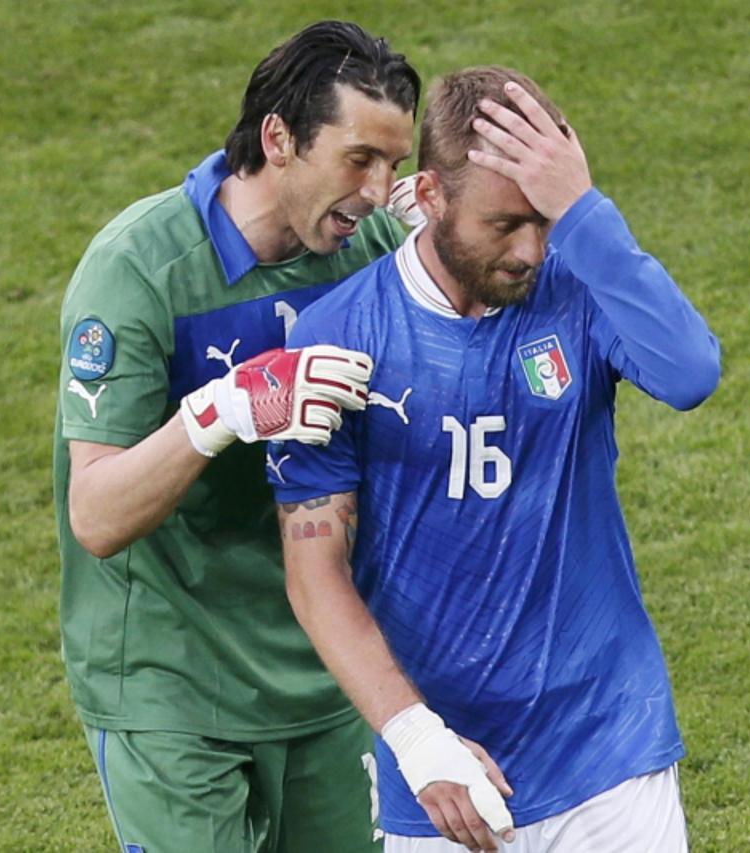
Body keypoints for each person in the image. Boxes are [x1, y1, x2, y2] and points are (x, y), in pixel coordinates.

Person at [56, 21, 507, 852]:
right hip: (170, 685)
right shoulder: (136, 270)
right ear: (279, 139)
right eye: (359, 159)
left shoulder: (369, 251)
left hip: (320, 672)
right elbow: (96, 513)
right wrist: (223, 411)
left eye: (394, 166)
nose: (377, 191)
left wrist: (444, 247)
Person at [270, 66, 721, 851]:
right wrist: (415, 738)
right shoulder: (335, 338)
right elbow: (316, 571)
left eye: (545, 220)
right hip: (448, 779)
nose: (530, 249)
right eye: (504, 223)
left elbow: (690, 373)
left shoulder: (577, 285)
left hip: (607, 744)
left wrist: (585, 211)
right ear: (432, 196)